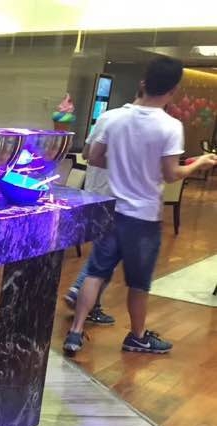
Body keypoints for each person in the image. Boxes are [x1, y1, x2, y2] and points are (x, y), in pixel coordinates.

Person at [63, 57, 217, 355]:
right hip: (143, 218)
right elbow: (171, 174)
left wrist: (124, 164)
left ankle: (75, 333)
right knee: (138, 284)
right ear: (173, 90)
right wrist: (199, 162)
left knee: (95, 272)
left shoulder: (113, 118)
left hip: (112, 210)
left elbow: (94, 158)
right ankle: (137, 336)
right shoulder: (170, 126)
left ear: (143, 83)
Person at [63, 96, 143, 325]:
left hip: (94, 193)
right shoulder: (142, 125)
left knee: (105, 250)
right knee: (107, 254)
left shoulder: (107, 116)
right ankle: (80, 290)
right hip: (119, 197)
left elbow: (87, 153)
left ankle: (91, 303)